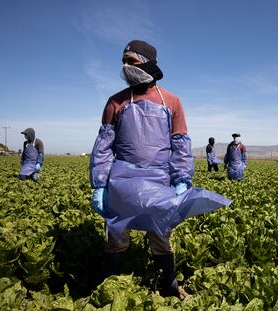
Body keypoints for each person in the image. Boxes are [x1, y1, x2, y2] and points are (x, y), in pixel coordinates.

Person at [89, 40, 231, 299]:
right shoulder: (115, 102)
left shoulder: (172, 102)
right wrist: (100, 184)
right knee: (116, 234)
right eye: (123, 61)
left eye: (131, 61)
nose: (125, 67)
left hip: (158, 180)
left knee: (160, 233)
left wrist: (181, 179)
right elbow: (103, 147)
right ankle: (112, 286)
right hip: (121, 180)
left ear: (147, 63)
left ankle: (169, 285)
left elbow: (180, 145)